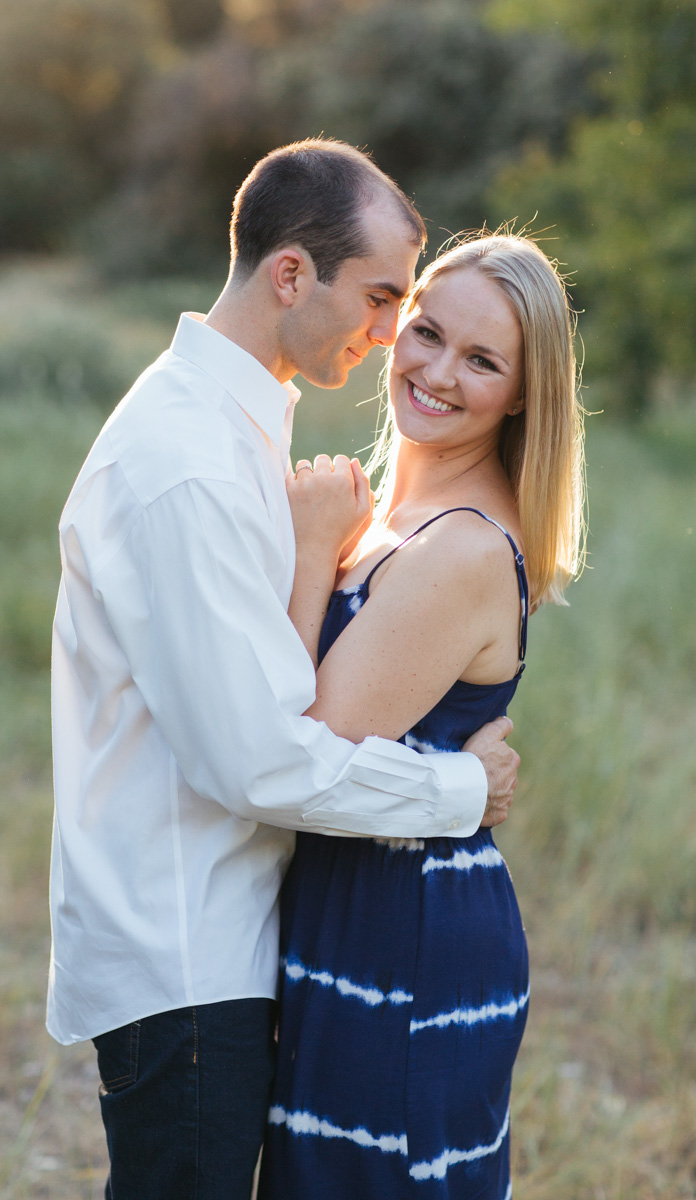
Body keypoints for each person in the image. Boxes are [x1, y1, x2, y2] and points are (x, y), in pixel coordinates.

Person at [47, 140, 521, 1200]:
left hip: (224, 943)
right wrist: (457, 787)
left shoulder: (237, 428)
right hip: (185, 958)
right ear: (291, 275)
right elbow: (258, 762)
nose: (395, 333)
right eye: (384, 296)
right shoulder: (188, 466)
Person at [258, 232, 586, 1199]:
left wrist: (314, 547)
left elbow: (297, 752)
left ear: (523, 394)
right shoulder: (394, 518)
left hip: (406, 936)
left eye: (481, 360)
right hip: (346, 910)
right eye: (427, 333)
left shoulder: (464, 547)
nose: (436, 373)